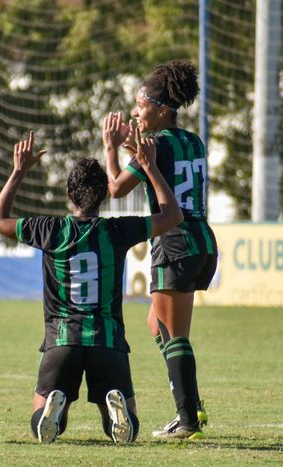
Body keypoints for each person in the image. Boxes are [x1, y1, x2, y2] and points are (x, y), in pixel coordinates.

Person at [0, 130, 183, 444]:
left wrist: (18, 171)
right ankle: (113, 406)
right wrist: (150, 167)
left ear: (69, 194)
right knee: (121, 425)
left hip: (61, 342)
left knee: (44, 422)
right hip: (108, 343)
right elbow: (173, 215)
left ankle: (54, 408)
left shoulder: (50, 229)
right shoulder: (117, 229)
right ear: (105, 194)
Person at [102, 60, 218, 440]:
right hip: (202, 240)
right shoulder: (192, 141)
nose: (135, 111)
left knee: (174, 333)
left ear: (162, 109)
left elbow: (116, 188)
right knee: (158, 325)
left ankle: (187, 419)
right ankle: (192, 405)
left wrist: (110, 148)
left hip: (175, 242)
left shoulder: (156, 145)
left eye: (141, 104)